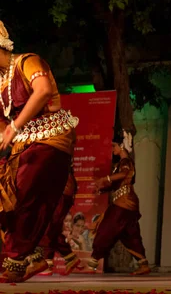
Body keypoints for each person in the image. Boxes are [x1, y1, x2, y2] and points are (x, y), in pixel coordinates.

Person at [0, 20, 78, 283]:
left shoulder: (26, 61)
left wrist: (13, 127)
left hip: (52, 138)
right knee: (6, 197)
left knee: (23, 192)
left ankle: (18, 259)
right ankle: (30, 257)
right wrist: (9, 132)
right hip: (24, 146)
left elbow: (43, 91)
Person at [81, 130, 150, 275]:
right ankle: (143, 264)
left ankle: (92, 263)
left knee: (106, 229)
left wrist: (105, 179)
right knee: (130, 234)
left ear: (121, 146)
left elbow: (124, 175)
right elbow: (117, 183)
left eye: (114, 147)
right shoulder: (120, 164)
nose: (113, 150)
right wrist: (102, 189)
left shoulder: (126, 162)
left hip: (124, 204)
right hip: (125, 204)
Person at [38, 168, 81, 276]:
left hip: (62, 192)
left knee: (49, 227)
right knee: (52, 229)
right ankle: (70, 258)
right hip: (59, 191)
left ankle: (47, 263)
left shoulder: (58, 155)